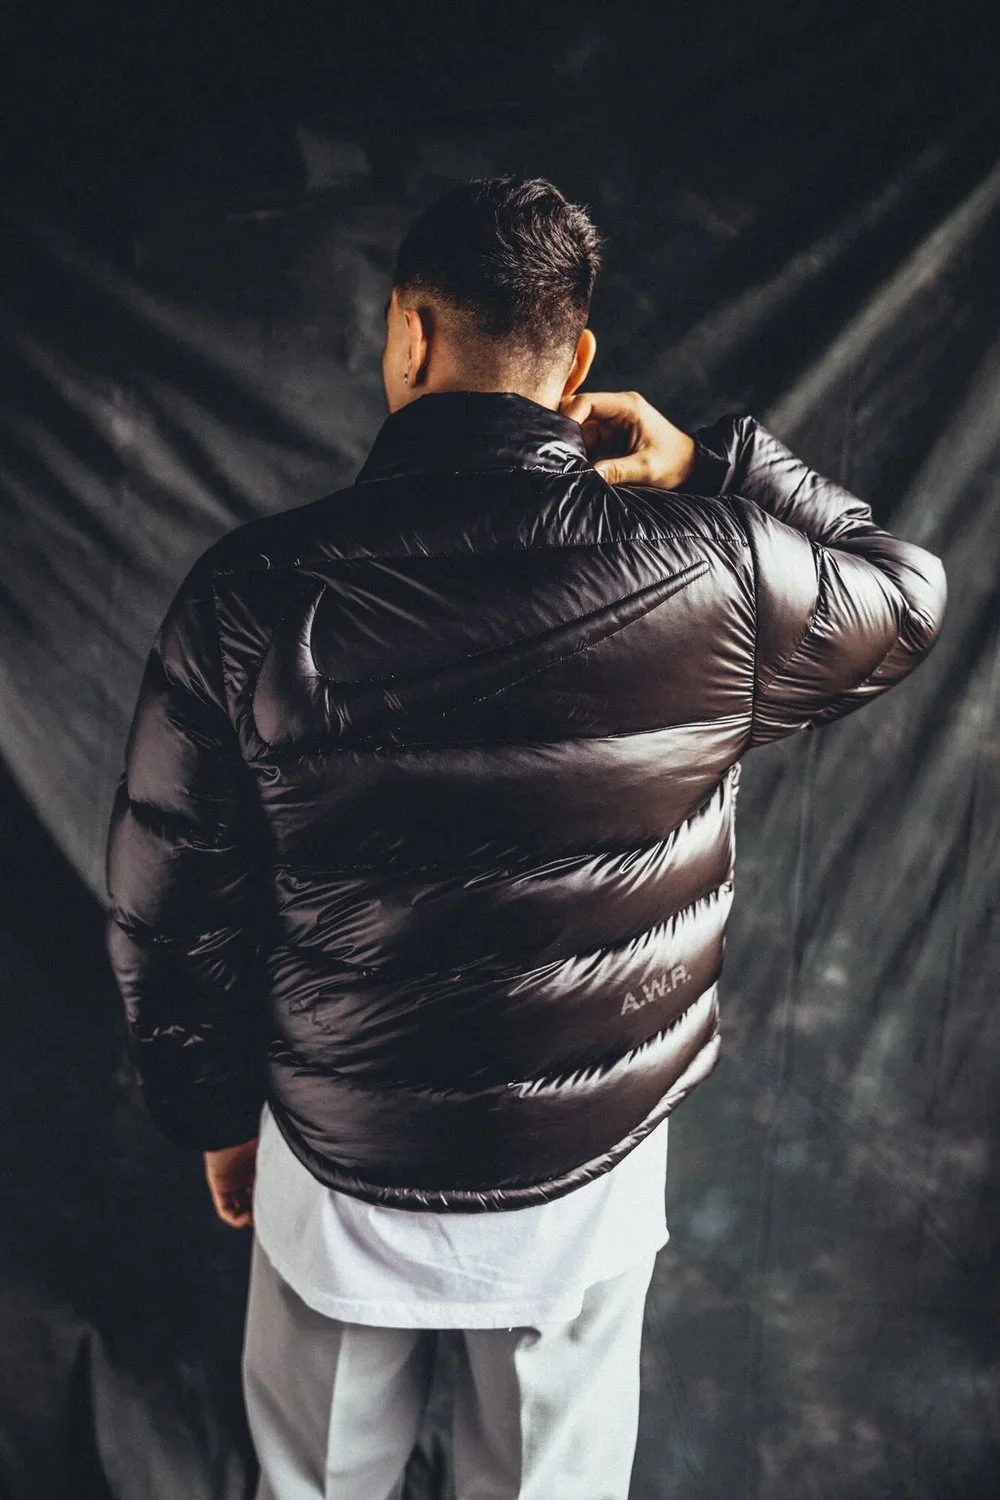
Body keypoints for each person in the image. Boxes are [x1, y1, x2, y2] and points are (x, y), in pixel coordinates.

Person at [104, 175, 948, 1500]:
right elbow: (908, 596)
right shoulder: (715, 570)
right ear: (581, 364)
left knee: (312, 1486)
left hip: (335, 1153)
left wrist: (214, 1111)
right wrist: (722, 459)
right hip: (588, 1168)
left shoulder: (252, 593)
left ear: (410, 336)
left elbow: (171, 901)